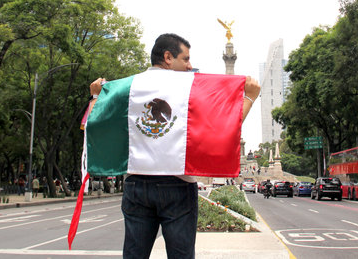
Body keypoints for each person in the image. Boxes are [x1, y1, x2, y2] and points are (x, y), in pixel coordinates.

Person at [89, 33, 260, 258]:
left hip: (136, 185)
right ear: (168, 57)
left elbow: (93, 125)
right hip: (177, 186)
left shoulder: (126, 87)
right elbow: (224, 128)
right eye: (186, 59)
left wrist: (95, 96)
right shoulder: (193, 86)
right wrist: (249, 97)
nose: (190, 66)